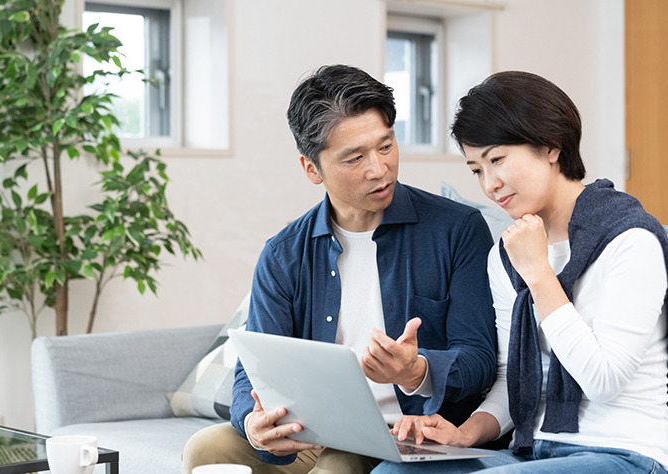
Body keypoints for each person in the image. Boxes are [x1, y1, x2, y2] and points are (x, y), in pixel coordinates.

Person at [181, 64, 497, 474]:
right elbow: (251, 375)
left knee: (337, 468)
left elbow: (481, 359)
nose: (378, 169)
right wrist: (253, 424)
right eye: (354, 157)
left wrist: (417, 371)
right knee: (205, 449)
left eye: (385, 146)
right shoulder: (284, 254)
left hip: (407, 434)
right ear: (312, 169)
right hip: (314, 431)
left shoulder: (457, 230)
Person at [371, 71, 668, 474]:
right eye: (477, 169)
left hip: (625, 454)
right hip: (532, 452)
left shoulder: (631, 240)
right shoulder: (506, 254)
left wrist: (538, 274)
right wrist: (465, 434)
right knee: (394, 472)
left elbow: (603, 381)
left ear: (551, 146)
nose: (490, 184)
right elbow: (512, 380)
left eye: (497, 159)